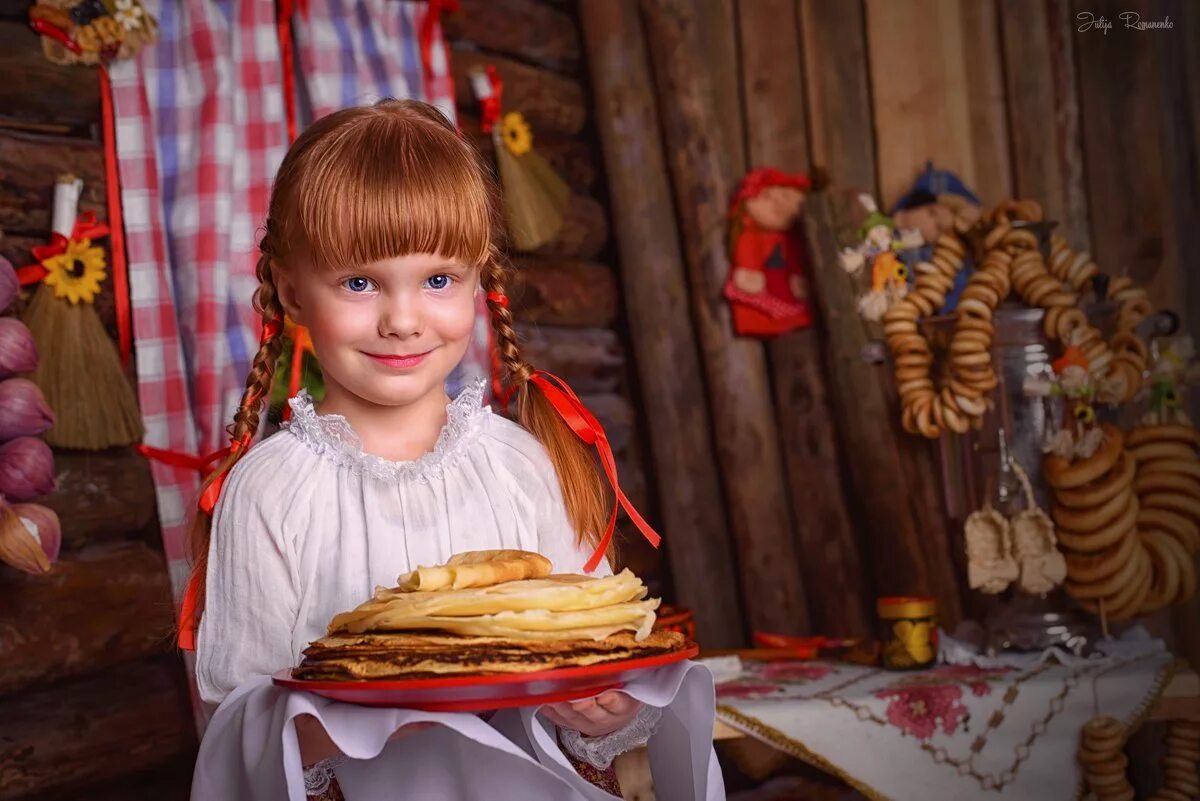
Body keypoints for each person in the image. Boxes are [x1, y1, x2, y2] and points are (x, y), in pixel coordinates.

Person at [184, 99, 722, 801]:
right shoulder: (271, 492)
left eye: (438, 279)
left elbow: (580, 656)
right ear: (291, 289)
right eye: (358, 281)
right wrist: (370, 712)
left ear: (478, 279)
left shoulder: (520, 466)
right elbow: (238, 727)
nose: (403, 319)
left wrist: (600, 705)